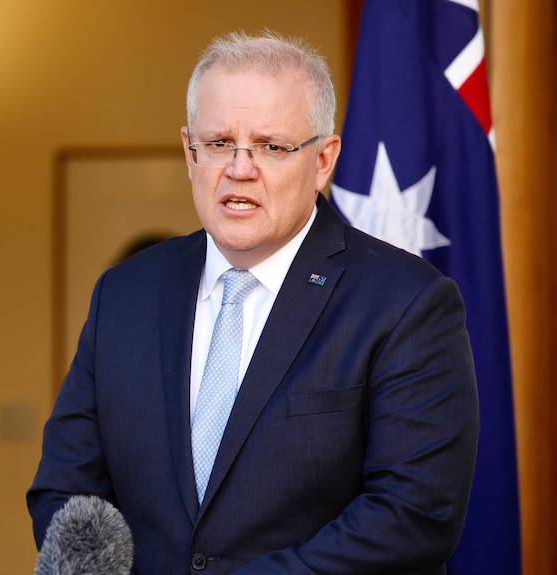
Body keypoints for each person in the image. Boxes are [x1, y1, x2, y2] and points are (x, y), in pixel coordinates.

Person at [28, 30, 479, 575]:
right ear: (189, 151)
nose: (239, 169)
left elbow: (412, 516)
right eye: (218, 143)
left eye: (271, 145)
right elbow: (66, 488)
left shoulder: (406, 304)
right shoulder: (125, 295)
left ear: (323, 160)